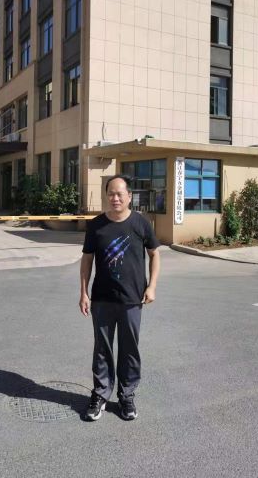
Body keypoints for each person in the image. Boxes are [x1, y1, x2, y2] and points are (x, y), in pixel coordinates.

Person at [79, 174, 161, 421]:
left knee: (129, 350)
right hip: (102, 298)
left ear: (129, 196)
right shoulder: (96, 225)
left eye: (119, 194)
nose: (115, 198)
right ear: (107, 196)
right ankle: (100, 394)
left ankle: (126, 396)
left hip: (132, 299)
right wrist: (83, 292)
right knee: (102, 349)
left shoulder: (141, 223)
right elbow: (87, 260)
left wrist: (152, 286)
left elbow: (155, 255)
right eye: (111, 194)